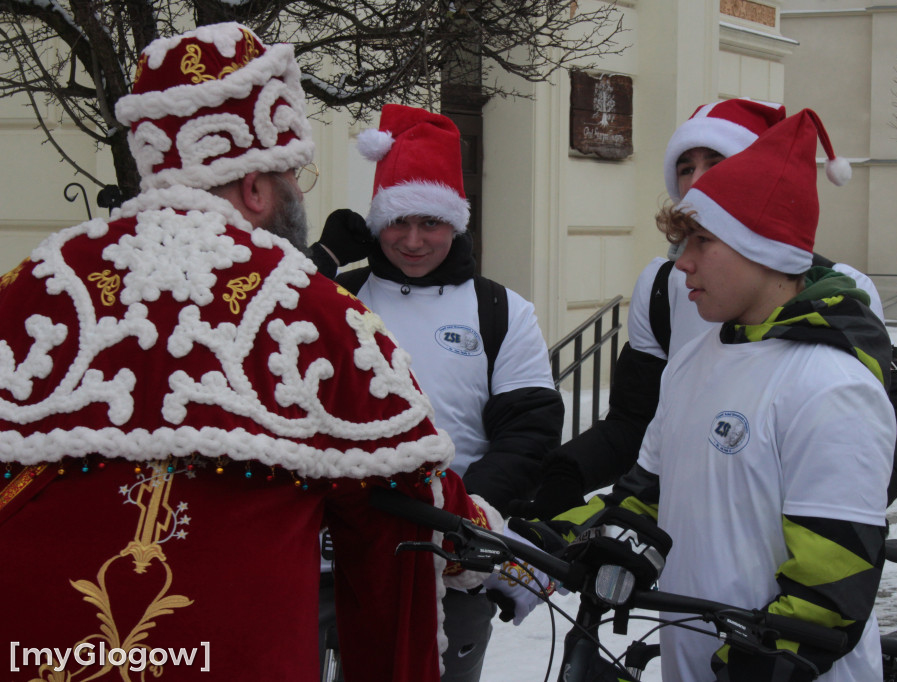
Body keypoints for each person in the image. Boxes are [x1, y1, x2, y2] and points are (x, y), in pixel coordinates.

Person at [0, 23, 545, 682]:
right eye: (294, 173)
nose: (301, 193)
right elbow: (406, 505)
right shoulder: (314, 312)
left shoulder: (29, 288)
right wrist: (483, 535)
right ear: (255, 187)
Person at [544, 109, 896, 681]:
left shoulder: (831, 385)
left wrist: (748, 667)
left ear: (766, 249)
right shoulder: (694, 360)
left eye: (701, 241)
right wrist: (564, 535)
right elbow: (647, 494)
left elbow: (830, 588)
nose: (681, 263)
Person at [510, 98, 897, 520]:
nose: (698, 182)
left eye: (718, 162)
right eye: (686, 168)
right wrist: (567, 473)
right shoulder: (660, 286)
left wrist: (815, 508)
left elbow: (891, 430)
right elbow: (637, 425)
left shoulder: (842, 292)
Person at [313, 104, 564, 682]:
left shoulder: (502, 310)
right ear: (377, 223)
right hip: (336, 560)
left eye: (431, 222)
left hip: (452, 560)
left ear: (457, 222)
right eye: (398, 222)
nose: (414, 240)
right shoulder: (335, 301)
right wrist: (319, 266)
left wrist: (467, 518)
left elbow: (528, 432)